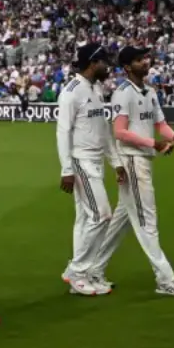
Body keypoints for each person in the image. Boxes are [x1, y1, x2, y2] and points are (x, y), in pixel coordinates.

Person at [94, 45, 174, 297]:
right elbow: (120, 132)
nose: (145, 62)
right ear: (127, 67)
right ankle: (165, 279)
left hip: (142, 160)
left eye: (145, 58)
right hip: (133, 160)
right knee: (147, 221)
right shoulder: (122, 93)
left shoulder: (149, 92)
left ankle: (92, 269)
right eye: (139, 60)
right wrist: (154, 144)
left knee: (123, 219)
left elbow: (159, 123)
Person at [55, 43, 116, 296]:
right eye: (103, 61)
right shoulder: (71, 91)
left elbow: (103, 130)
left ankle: (83, 272)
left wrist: (116, 162)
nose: (107, 66)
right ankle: (78, 271)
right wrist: (66, 169)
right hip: (81, 161)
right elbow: (62, 131)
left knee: (84, 219)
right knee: (102, 215)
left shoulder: (96, 88)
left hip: (96, 161)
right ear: (92, 63)